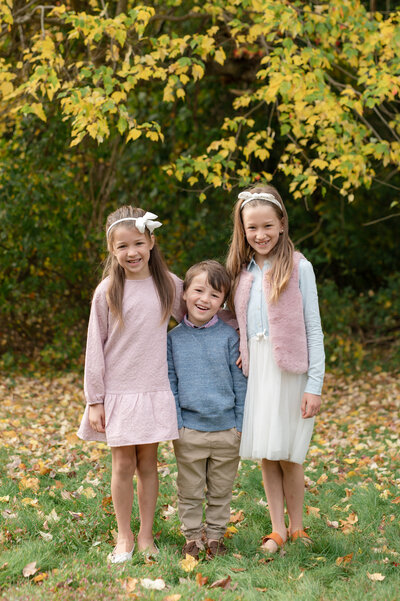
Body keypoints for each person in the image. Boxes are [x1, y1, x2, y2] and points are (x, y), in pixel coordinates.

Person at [77, 206, 185, 564]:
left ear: (152, 241)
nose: (132, 252)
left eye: (138, 243)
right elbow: (96, 346)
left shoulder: (167, 284)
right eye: (122, 246)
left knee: (149, 464)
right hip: (118, 392)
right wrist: (95, 399)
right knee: (122, 464)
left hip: (153, 387)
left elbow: (201, 310)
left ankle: (145, 536)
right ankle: (123, 536)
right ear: (112, 251)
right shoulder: (108, 291)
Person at [226, 184, 325, 553]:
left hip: (291, 371)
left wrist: (314, 384)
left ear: (282, 223)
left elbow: (313, 327)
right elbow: (233, 319)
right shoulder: (240, 271)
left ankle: (298, 528)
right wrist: (242, 345)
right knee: (268, 451)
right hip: (259, 371)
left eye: (267, 225)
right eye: (252, 228)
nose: (260, 234)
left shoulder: (300, 267)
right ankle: (277, 528)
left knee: (289, 453)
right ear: (243, 230)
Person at [167, 260, 247, 560]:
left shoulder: (229, 337)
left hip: (227, 430)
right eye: (198, 290)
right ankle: (192, 537)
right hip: (189, 430)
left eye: (214, 295)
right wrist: (177, 425)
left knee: (221, 489)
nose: (205, 299)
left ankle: (214, 536)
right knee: (189, 489)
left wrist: (240, 425)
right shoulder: (172, 340)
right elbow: (171, 384)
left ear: (222, 301)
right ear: (185, 294)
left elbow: (240, 383)